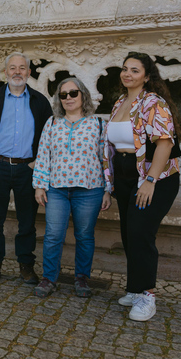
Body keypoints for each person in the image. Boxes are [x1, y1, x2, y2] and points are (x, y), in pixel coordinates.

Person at [103, 51, 181, 322]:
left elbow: (165, 143)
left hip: (154, 178)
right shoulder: (119, 103)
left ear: (147, 76)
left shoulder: (153, 103)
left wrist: (150, 181)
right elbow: (114, 147)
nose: (127, 74)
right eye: (125, 69)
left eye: (135, 70)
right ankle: (135, 289)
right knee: (128, 233)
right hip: (126, 178)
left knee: (140, 233)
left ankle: (147, 296)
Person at [0, 53, 53, 284]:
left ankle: (26, 266)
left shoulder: (39, 101)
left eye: (22, 68)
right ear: (6, 72)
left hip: (27, 169)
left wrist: (37, 161)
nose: (17, 72)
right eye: (13, 68)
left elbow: (49, 134)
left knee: (27, 222)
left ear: (28, 72)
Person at [32, 78, 109, 298]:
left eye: (73, 93)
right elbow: (43, 154)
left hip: (90, 189)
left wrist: (107, 190)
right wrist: (39, 186)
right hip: (56, 189)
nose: (68, 98)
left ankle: (82, 278)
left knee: (84, 236)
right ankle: (49, 278)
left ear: (83, 95)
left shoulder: (98, 124)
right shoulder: (52, 123)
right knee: (53, 235)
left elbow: (106, 160)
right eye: (63, 95)